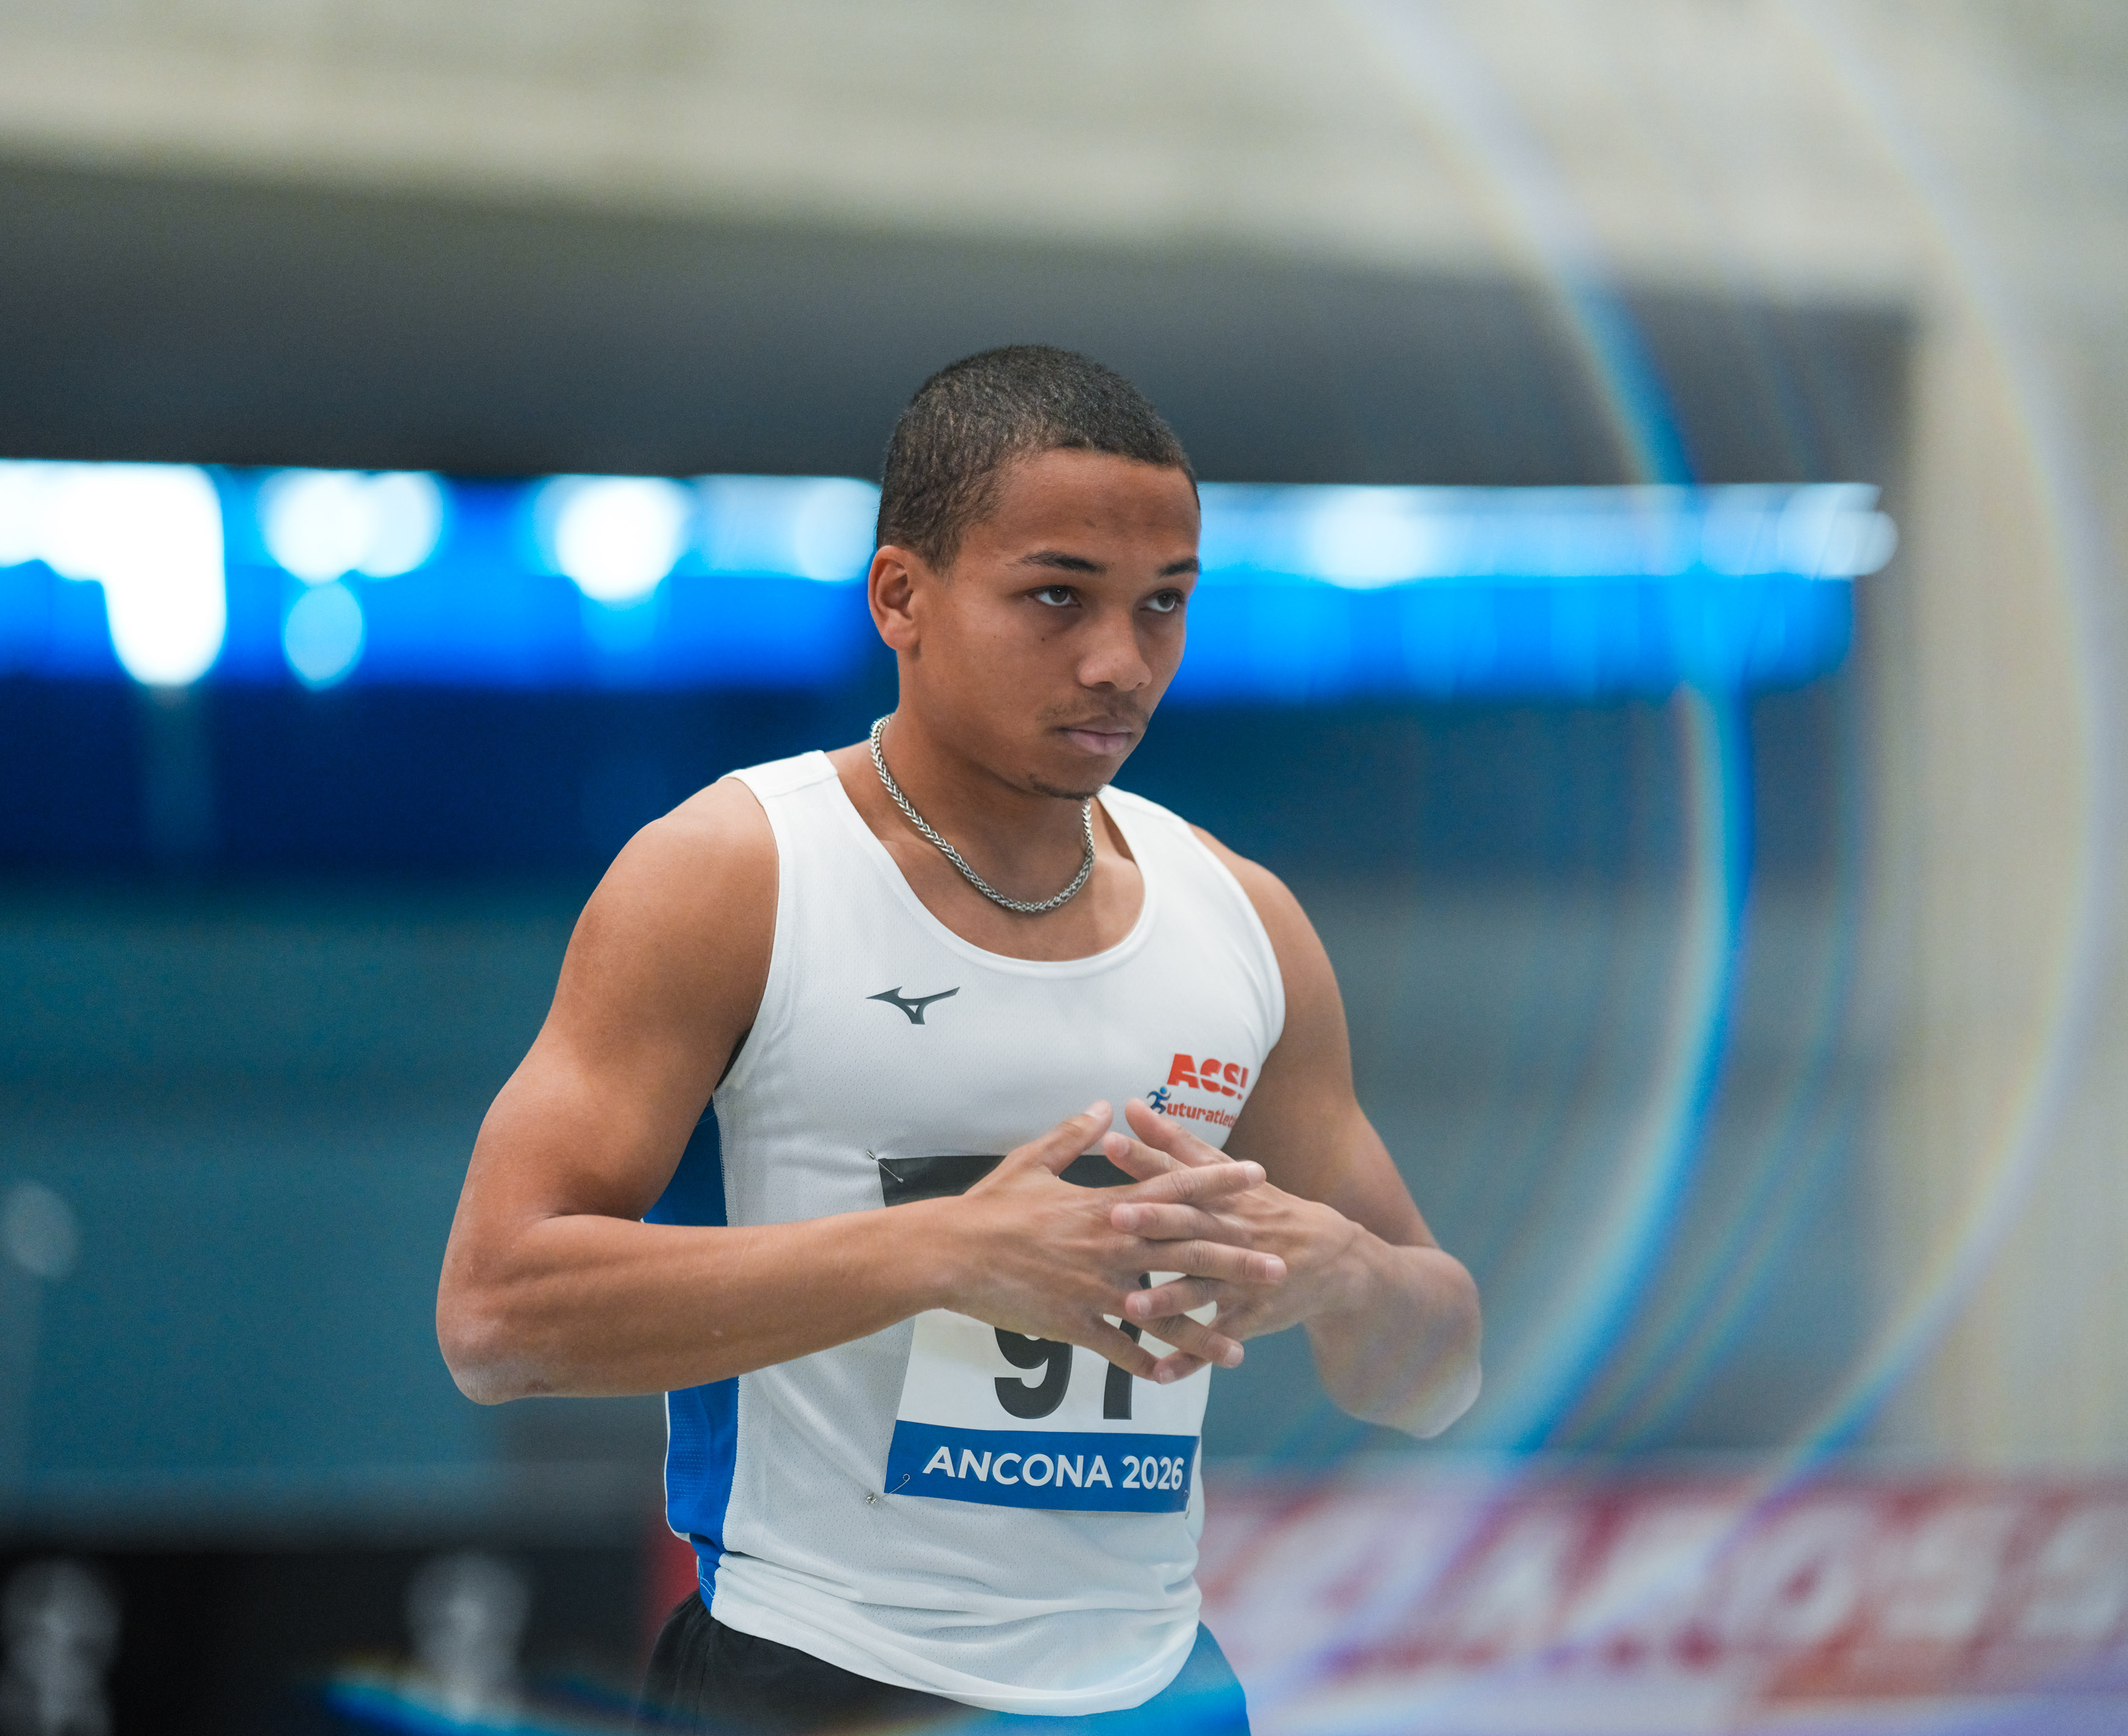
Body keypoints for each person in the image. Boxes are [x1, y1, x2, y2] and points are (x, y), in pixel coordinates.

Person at [436, 346, 1483, 1731]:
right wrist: (947, 1253)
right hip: (811, 1671)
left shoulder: (1245, 918)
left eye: (1163, 603)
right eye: (1056, 595)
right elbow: (496, 1318)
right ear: (901, 598)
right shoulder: (735, 874)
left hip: (1154, 1690)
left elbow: (1436, 1379)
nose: (1119, 663)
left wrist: (1343, 1272)